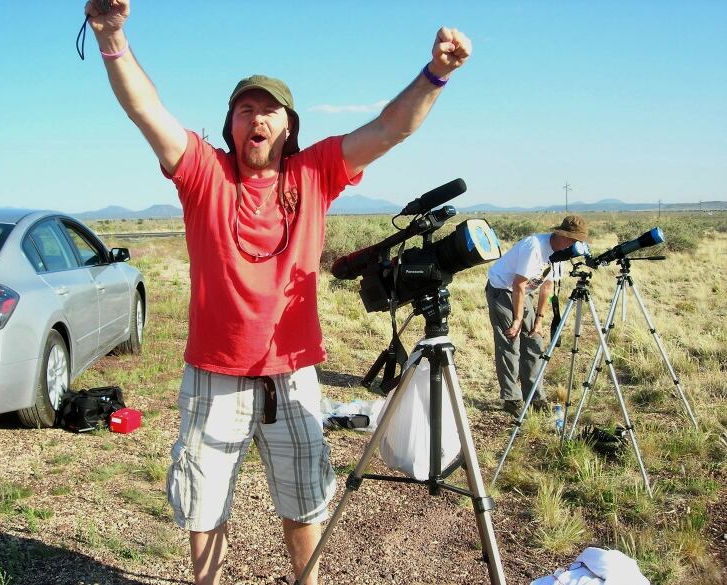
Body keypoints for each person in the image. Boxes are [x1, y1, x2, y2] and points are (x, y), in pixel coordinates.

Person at [84, 2, 472, 583]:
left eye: (269, 111)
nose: (257, 119)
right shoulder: (202, 174)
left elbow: (390, 128)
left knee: (304, 503)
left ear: (288, 127)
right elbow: (148, 111)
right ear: (231, 126)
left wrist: (435, 73)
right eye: (245, 110)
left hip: (291, 373)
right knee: (206, 506)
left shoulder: (314, 173)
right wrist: (113, 38)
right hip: (214, 374)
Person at [485, 216, 590, 418]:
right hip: (503, 288)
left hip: (525, 292)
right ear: (561, 235)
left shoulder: (561, 254)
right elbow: (518, 284)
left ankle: (534, 396)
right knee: (510, 341)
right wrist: (517, 320)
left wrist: (539, 319)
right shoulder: (534, 247)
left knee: (534, 341)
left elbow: (547, 287)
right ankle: (511, 398)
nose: (576, 244)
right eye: (574, 240)